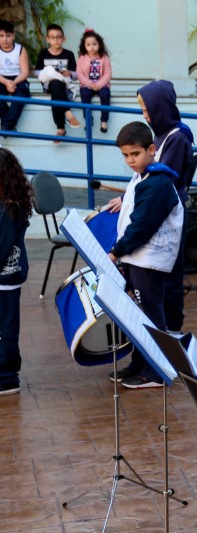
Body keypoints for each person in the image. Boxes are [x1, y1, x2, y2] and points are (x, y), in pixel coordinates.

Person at [108, 122, 184, 389]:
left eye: (135, 154)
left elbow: (142, 225)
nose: (130, 160)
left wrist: (116, 252)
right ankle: (140, 362)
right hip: (137, 258)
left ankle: (157, 370)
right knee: (138, 314)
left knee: (151, 315)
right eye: (125, 155)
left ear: (151, 150)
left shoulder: (158, 182)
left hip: (149, 261)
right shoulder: (142, 177)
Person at [0, 148, 32, 396]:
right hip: (8, 277)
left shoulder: (7, 210)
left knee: (6, 330)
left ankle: (7, 378)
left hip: (5, 278)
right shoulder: (11, 204)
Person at [34, 24, 81, 143]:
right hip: (48, 84)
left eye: (59, 37)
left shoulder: (69, 54)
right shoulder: (43, 53)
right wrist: (49, 72)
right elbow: (37, 72)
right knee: (55, 84)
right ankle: (68, 114)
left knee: (56, 90)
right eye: (52, 37)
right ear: (47, 39)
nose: (56, 40)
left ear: (64, 39)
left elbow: (76, 75)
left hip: (64, 84)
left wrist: (69, 73)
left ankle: (61, 128)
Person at [77, 29, 112, 133]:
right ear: (84, 46)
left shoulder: (104, 58)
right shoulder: (82, 58)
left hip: (102, 85)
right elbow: (79, 74)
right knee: (85, 94)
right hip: (87, 85)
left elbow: (108, 74)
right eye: (88, 45)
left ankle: (104, 120)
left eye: (94, 44)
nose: (91, 47)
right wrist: (89, 84)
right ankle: (88, 120)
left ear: (99, 44)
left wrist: (99, 85)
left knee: (105, 94)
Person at [0, 20, 31, 133]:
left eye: (8, 36)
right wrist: (5, 82)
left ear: (13, 36)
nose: (5, 39)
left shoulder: (20, 49)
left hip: (18, 79)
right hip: (1, 78)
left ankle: (6, 125)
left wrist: (14, 82)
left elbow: (25, 72)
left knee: (21, 96)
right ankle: (9, 125)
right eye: (1, 36)